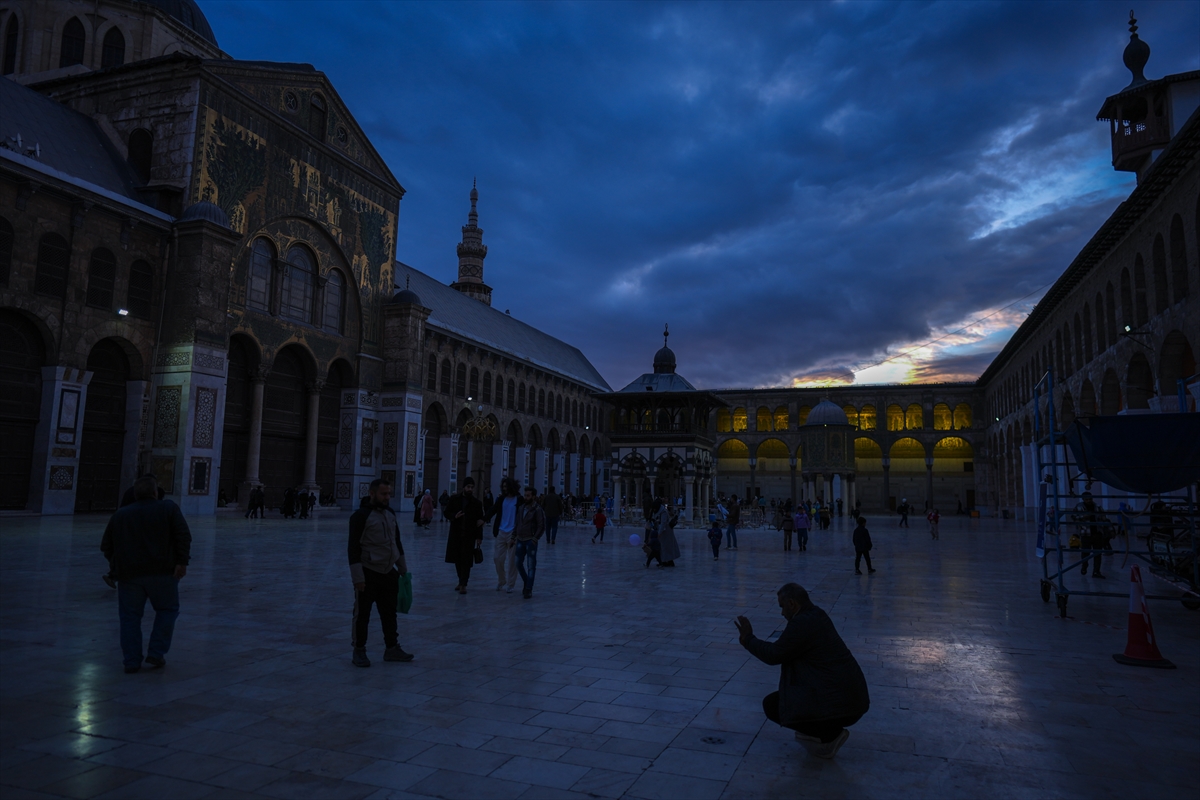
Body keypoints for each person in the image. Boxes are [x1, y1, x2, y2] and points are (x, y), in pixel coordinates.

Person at [734, 583, 870, 759]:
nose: (782, 613)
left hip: (842, 703)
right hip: (851, 698)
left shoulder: (802, 623)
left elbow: (774, 654)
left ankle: (829, 735)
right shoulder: (816, 615)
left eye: (782, 607)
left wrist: (748, 640)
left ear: (792, 604)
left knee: (774, 705)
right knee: (789, 699)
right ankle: (824, 730)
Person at [100, 475, 192, 673]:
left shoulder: (121, 515)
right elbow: (183, 536)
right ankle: (156, 653)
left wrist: (117, 564)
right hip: (163, 573)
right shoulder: (168, 508)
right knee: (167, 611)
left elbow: (106, 545)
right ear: (155, 492)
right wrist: (181, 562)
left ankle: (131, 661)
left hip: (130, 576)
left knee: (130, 618)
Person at [347, 478, 413, 667]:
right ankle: (359, 649)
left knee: (389, 613)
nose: (387, 497)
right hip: (368, 573)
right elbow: (353, 549)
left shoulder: (390, 514)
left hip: (388, 572)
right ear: (372, 493)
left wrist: (402, 568)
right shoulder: (360, 516)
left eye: (389, 494)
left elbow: (396, 541)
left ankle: (392, 648)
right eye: (383, 494)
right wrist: (358, 577)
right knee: (363, 614)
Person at [444, 477, 485, 594]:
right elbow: (446, 512)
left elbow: (479, 521)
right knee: (457, 559)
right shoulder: (454, 499)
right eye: (468, 487)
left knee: (466, 560)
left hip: (469, 535)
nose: (470, 489)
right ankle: (460, 580)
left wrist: (479, 537)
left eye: (472, 487)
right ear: (463, 487)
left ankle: (464, 584)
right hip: (456, 534)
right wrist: (454, 516)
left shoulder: (477, 503)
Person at [486, 478, 522, 593]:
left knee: (512, 561)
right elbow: (493, 510)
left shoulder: (519, 499)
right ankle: (502, 580)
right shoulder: (501, 499)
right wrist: (483, 519)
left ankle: (511, 584)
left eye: (507, 487)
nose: (505, 489)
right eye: (504, 487)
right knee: (497, 558)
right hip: (501, 531)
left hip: (513, 533)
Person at [512, 486, 546, 598]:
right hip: (520, 540)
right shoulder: (521, 508)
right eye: (525, 495)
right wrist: (513, 536)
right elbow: (517, 523)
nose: (526, 497)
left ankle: (528, 589)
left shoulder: (537, 509)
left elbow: (541, 525)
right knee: (517, 563)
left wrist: (535, 539)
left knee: (531, 566)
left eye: (528, 496)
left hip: (530, 541)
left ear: (533, 496)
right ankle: (527, 582)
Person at [1076, 492, 1107, 578]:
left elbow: (1104, 517)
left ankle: (1096, 571)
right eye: (1087, 499)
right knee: (1085, 553)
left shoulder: (1097, 507)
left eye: (1090, 499)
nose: (1089, 501)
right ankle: (1084, 566)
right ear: (1083, 499)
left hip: (1097, 533)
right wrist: (1083, 517)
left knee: (1098, 554)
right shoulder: (1079, 507)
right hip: (1086, 534)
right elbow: (1074, 518)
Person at [656, 500, 681, 567]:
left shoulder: (663, 512)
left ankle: (667, 561)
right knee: (665, 547)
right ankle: (666, 560)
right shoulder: (662, 511)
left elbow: (663, 523)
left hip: (666, 532)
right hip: (665, 532)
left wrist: (659, 532)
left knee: (666, 547)